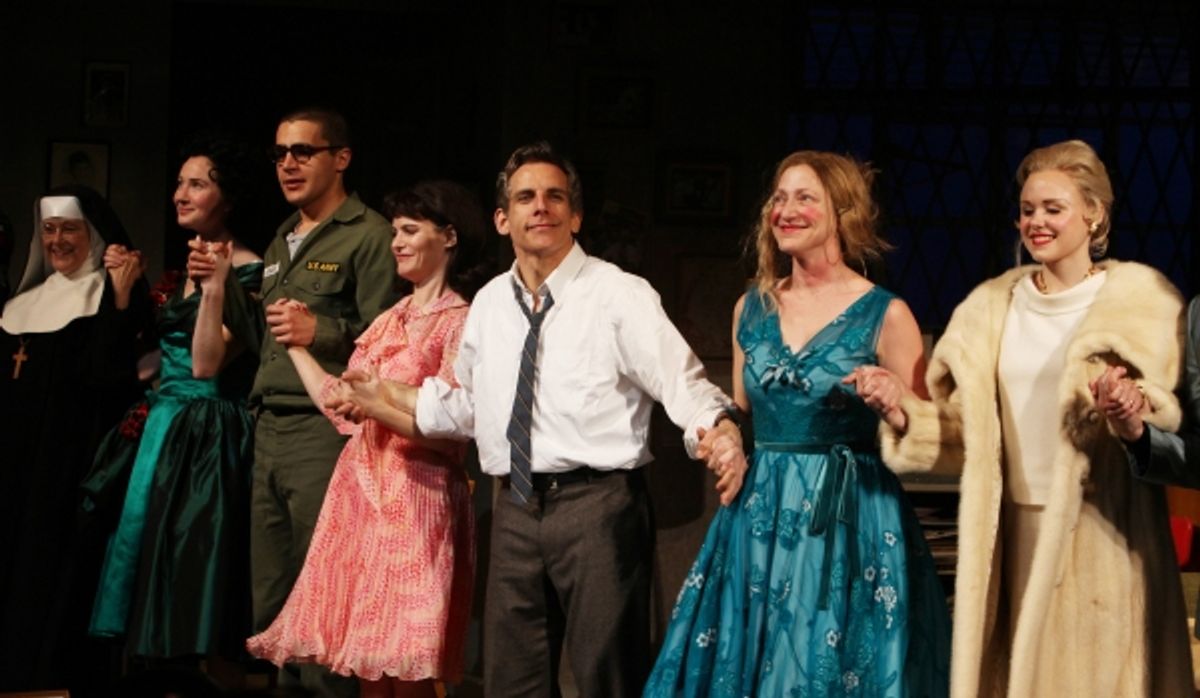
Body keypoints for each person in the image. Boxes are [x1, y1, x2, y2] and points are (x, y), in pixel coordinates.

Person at [331, 142, 748, 697]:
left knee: (606, 675)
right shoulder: (488, 304)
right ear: (503, 219)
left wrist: (717, 431)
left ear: (575, 215)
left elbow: (682, 383)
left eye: (555, 197)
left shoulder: (617, 293)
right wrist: (385, 394)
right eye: (525, 197)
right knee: (512, 679)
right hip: (516, 509)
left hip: (598, 507)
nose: (541, 207)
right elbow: (471, 408)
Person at [865, 139, 1193, 696]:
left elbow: (1172, 424)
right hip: (1009, 534)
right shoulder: (990, 308)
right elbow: (964, 432)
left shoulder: (1145, 305)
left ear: (1094, 214)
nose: (1035, 222)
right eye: (1027, 210)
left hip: (1103, 537)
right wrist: (904, 412)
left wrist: (1132, 407)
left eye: (1053, 208)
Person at [643, 151, 951, 697]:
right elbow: (741, 412)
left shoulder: (886, 313)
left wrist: (896, 400)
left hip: (848, 516)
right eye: (779, 198)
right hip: (760, 515)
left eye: (805, 197)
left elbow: (933, 439)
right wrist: (730, 435)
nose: (786, 210)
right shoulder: (751, 308)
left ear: (843, 211)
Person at [247, 180, 488, 698]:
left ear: (448, 237)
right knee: (368, 664)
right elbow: (340, 403)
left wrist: (379, 401)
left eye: (409, 230)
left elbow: (452, 429)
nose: (396, 241)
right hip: (362, 492)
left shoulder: (461, 321)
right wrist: (293, 347)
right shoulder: (389, 319)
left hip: (417, 496)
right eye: (395, 231)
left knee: (407, 663)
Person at [189, 106, 398, 696]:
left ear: (341, 158)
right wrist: (220, 285)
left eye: (303, 151)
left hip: (322, 431)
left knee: (325, 587)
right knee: (275, 597)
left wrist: (323, 333)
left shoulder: (369, 235)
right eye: (280, 152)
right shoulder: (285, 236)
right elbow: (264, 342)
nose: (288, 163)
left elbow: (387, 340)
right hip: (270, 427)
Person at [85, 134, 264, 669]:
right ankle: (143, 669)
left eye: (197, 184)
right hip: (164, 420)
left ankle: (188, 666)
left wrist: (215, 289)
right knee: (139, 539)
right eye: (179, 183)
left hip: (207, 427)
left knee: (187, 549)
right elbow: (153, 358)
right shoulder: (178, 269)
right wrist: (124, 295)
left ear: (226, 199)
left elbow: (208, 363)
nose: (181, 194)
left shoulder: (248, 269)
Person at [0, 185, 148, 693]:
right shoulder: (20, 304)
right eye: (49, 229)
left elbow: (110, 381)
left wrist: (122, 300)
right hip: (16, 459)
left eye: (70, 229)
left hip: (70, 458)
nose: (57, 240)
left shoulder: (105, 297)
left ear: (94, 235)